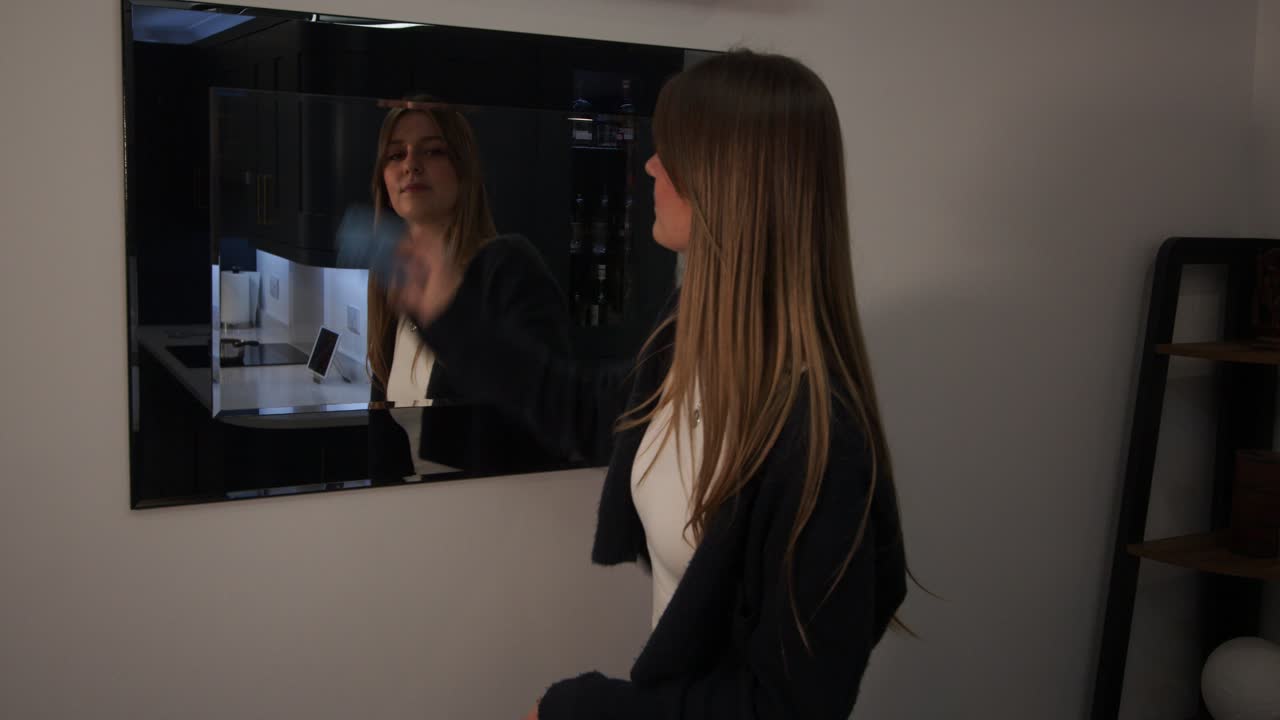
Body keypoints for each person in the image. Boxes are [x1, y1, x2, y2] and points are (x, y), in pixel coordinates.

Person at [394, 51, 909, 719]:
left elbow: (787, 708)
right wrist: (452, 318)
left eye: (669, 151)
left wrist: (584, 709)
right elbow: (583, 409)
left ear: (725, 178)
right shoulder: (686, 336)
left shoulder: (818, 443)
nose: (650, 166)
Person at [365, 96, 571, 479]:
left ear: (463, 168)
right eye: (396, 155)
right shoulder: (391, 280)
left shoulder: (508, 271)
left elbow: (546, 423)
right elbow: (386, 443)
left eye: (434, 150)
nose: (411, 164)